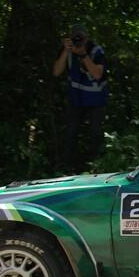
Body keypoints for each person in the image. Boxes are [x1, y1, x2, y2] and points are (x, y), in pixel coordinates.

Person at [52, 23, 108, 172]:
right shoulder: (67, 50)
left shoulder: (96, 50)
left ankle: (98, 168)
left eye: (81, 37)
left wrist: (83, 54)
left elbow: (97, 74)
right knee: (71, 133)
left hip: (96, 100)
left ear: (87, 37)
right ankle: (67, 167)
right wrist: (66, 50)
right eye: (75, 37)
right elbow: (56, 72)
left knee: (96, 135)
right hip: (76, 99)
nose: (78, 40)